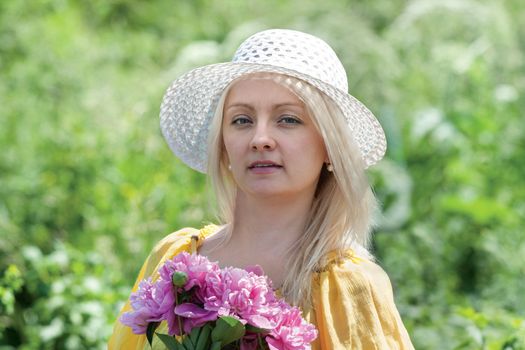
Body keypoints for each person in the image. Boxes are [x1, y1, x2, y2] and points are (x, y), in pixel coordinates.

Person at [109, 29, 414, 349]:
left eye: (288, 119)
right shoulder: (176, 261)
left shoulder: (349, 287)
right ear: (222, 145)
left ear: (328, 146)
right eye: (241, 120)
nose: (260, 139)